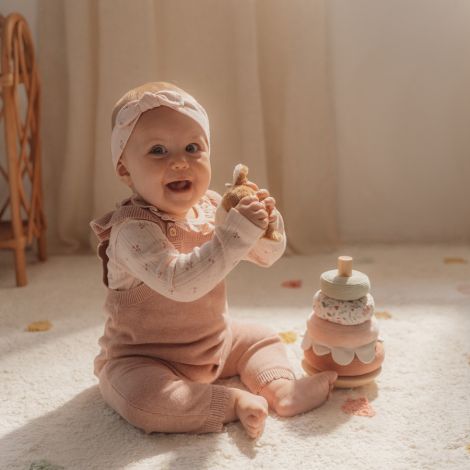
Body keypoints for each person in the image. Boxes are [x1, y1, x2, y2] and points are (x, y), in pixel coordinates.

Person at [89, 81, 337, 439]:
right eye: (158, 150)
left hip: (216, 342)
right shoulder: (132, 232)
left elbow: (266, 257)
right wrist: (235, 234)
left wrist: (266, 225)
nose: (179, 162)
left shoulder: (212, 207)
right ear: (125, 170)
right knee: (143, 402)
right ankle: (229, 401)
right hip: (144, 359)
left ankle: (281, 389)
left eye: (193, 148)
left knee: (261, 337)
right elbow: (181, 283)